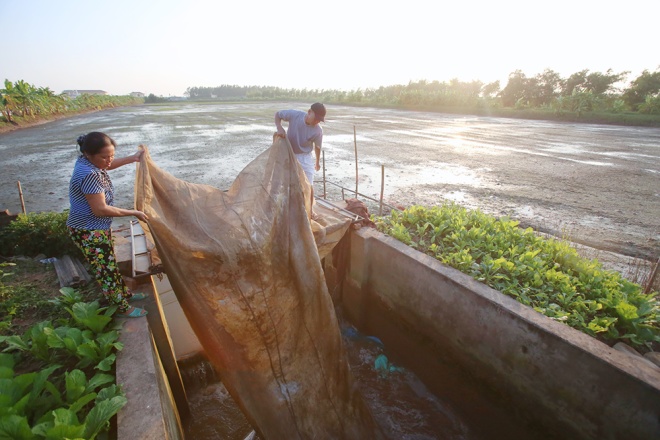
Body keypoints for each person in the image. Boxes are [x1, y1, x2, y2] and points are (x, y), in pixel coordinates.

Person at [66, 131, 150, 318]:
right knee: (105, 270)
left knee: (109, 264)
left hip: (93, 228)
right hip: (89, 230)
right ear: (89, 154)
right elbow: (101, 209)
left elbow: (108, 166)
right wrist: (134, 212)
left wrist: (132, 158)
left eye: (111, 155)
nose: (109, 160)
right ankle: (121, 307)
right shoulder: (89, 174)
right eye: (105, 157)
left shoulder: (85, 162)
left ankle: (125, 294)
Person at [274, 102, 326, 219]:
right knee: (285, 182)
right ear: (309, 112)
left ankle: (310, 210)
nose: (317, 121)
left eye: (320, 120)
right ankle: (282, 207)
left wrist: (317, 162)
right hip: (289, 153)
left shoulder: (318, 131)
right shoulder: (295, 115)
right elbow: (278, 114)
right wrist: (279, 127)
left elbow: (317, 148)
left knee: (309, 184)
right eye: (316, 118)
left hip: (305, 156)